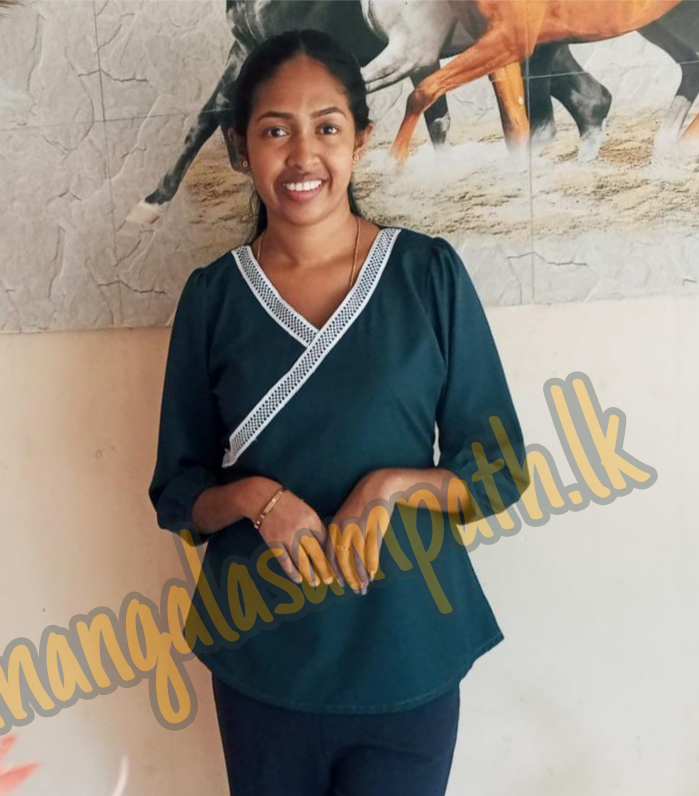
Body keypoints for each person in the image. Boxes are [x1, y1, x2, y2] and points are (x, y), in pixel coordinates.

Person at [148, 28, 530, 796]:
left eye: (325, 127)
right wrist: (258, 500)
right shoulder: (213, 299)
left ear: (359, 139)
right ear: (240, 147)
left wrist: (391, 487)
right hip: (263, 659)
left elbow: (497, 471)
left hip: (408, 652)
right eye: (274, 131)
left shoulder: (426, 275)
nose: (302, 155)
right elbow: (177, 492)